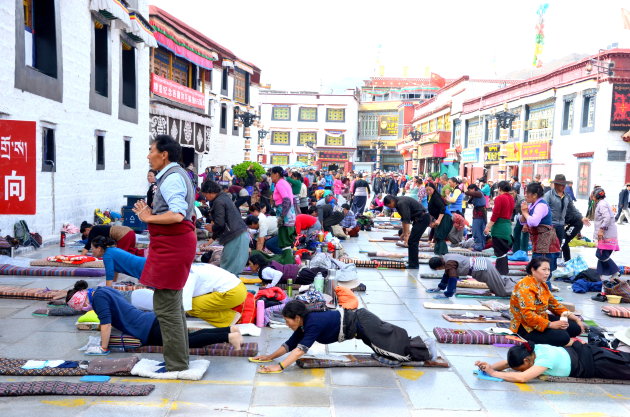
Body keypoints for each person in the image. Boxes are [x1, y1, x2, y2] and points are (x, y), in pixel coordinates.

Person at [131, 135, 197, 372]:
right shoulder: (175, 175)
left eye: (151, 150)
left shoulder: (171, 179)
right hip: (173, 245)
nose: (148, 155)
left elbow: (177, 214)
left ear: (164, 154)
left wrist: (148, 217)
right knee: (172, 305)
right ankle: (178, 359)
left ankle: (176, 364)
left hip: (174, 246)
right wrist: (150, 213)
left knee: (166, 307)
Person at [252, 300, 436, 373]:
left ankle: (424, 349)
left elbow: (300, 350)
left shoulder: (312, 323)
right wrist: (269, 357)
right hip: (360, 328)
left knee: (396, 351)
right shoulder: (304, 324)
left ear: (297, 317)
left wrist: (280, 366)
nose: (287, 325)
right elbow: (290, 344)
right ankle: (420, 346)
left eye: (287, 321)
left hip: (364, 323)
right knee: (390, 345)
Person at [65, 281, 242, 356]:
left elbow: (106, 324)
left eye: (81, 307)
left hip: (146, 328)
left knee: (185, 341)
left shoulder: (98, 298)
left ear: (82, 300)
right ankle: (228, 330)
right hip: (149, 320)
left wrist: (103, 348)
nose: (84, 310)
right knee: (187, 335)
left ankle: (228, 337)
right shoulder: (101, 290)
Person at [510, 258, 585, 346]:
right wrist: (550, 325)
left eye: (548, 269)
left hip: (541, 318)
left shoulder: (542, 285)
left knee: (575, 327)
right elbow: (528, 315)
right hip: (525, 326)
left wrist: (576, 318)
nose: (547, 273)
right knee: (563, 337)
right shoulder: (525, 287)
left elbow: (555, 305)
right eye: (544, 269)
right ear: (533, 270)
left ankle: (554, 334)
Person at [475, 341, 630, 383]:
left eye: (521, 367)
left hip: (596, 362)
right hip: (586, 354)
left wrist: (494, 373)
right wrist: (487, 366)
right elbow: (509, 363)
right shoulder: (533, 349)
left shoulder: (545, 359)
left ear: (526, 360)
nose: (520, 370)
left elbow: (522, 378)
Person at [201, 180, 249, 275]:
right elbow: (220, 224)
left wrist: (212, 228)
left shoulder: (219, 201)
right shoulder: (223, 197)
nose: (205, 197)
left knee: (229, 268)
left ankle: (231, 289)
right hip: (238, 234)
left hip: (235, 236)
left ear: (210, 192)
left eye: (205, 195)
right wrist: (209, 242)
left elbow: (220, 223)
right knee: (232, 266)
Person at [520, 182, 561, 289]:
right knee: (536, 270)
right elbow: (522, 221)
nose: (525, 195)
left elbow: (533, 222)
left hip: (546, 244)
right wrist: (524, 213)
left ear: (534, 195)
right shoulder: (533, 205)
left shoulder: (541, 205)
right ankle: (538, 295)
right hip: (539, 242)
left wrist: (525, 213)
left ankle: (545, 297)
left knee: (542, 272)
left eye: (527, 193)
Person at [183, 262, 247, 327]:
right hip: (238, 288)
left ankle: (229, 318)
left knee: (192, 307)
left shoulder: (188, 275)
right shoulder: (192, 268)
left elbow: (185, 305)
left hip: (232, 293)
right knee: (195, 303)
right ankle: (229, 317)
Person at [427, 254, 519, 299]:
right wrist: (439, 288)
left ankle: (520, 289)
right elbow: (446, 275)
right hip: (483, 265)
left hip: (484, 269)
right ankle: (516, 285)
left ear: (438, 266)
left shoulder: (449, 264)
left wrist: (447, 294)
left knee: (501, 291)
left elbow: (452, 278)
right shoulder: (446, 258)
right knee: (497, 285)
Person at [383, 195, 431, 269]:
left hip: (423, 218)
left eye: (389, 205)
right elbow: (403, 219)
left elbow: (406, 220)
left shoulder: (401, 203)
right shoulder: (398, 203)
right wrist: (403, 232)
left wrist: (406, 235)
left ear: (392, 201)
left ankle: (414, 264)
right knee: (412, 241)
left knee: (412, 241)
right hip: (418, 219)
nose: (390, 207)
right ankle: (412, 263)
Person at [591, 187, 620, 302]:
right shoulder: (603, 203)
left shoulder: (602, 204)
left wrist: (602, 229)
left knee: (601, 255)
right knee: (601, 265)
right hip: (605, 236)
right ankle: (603, 293)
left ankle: (615, 271)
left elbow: (607, 217)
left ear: (595, 196)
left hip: (606, 236)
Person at [484, 181, 514, 275]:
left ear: (500, 189)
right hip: (507, 227)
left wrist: (488, 227)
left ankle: (501, 273)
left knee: (500, 252)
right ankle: (502, 272)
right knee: (503, 251)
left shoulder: (499, 198)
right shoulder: (511, 198)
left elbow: (495, 214)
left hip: (499, 228)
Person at [247, 253, 319, 287]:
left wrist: (270, 286)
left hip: (301, 275)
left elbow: (278, 274)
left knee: (320, 283)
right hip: (301, 271)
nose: (249, 267)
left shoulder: (264, 271)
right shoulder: (266, 266)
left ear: (256, 264)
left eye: (250, 264)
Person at [270, 166, 297, 251]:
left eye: (271, 174)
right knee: (287, 240)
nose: (270, 176)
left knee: (284, 240)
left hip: (285, 216)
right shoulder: (285, 182)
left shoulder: (279, 184)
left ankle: (287, 260)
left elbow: (286, 200)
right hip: (290, 215)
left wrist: (282, 216)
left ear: (276, 174)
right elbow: (293, 199)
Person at [426, 182, 453, 255]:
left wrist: (438, 220)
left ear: (434, 189)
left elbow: (442, 208)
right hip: (440, 217)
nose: (428, 191)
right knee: (437, 235)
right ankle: (438, 253)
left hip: (445, 217)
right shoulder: (430, 197)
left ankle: (442, 254)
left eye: (430, 189)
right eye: (427, 190)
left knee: (440, 236)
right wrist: (433, 221)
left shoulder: (436, 197)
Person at [465, 184, 488, 252]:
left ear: (473, 189)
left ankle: (479, 246)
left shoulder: (478, 193)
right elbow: (469, 201)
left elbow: (467, 193)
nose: (470, 192)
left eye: (470, 190)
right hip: (478, 213)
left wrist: (464, 188)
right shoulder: (476, 194)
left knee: (477, 230)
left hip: (479, 214)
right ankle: (480, 245)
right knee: (478, 230)